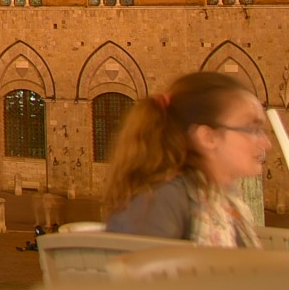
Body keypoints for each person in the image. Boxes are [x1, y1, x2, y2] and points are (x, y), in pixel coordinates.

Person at [103, 72, 272, 247]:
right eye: (252, 129)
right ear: (208, 137)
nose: (266, 143)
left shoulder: (224, 203)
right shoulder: (159, 202)